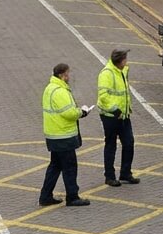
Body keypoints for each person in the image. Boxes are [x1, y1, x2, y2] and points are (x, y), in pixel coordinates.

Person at [40, 63, 91, 207]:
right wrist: (82, 112)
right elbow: (69, 113)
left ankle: (45, 196)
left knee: (55, 166)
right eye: (68, 74)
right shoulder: (60, 91)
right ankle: (72, 196)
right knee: (70, 167)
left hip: (53, 135)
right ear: (62, 75)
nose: (69, 76)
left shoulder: (49, 88)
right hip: (63, 135)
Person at [97, 49, 138, 187]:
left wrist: (126, 108)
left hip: (124, 115)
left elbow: (124, 93)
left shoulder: (123, 70)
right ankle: (109, 176)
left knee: (129, 142)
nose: (127, 61)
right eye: (125, 59)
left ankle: (125, 173)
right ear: (119, 61)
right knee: (111, 145)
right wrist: (115, 110)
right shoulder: (106, 74)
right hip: (110, 116)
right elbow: (103, 96)